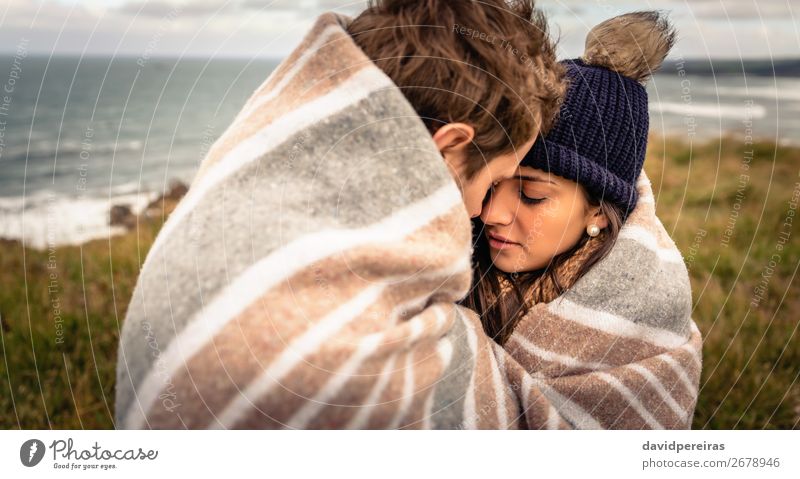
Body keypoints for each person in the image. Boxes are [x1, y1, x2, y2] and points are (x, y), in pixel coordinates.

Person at [115, 0, 566, 429]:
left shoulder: (251, 180)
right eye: (489, 185)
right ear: (448, 148)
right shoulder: (324, 353)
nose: (479, 213)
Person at [463, 12, 703, 428]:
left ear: (598, 208)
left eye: (532, 194)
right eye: (492, 183)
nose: (490, 214)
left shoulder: (644, 319)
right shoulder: (448, 260)